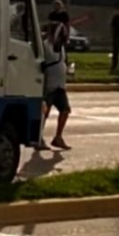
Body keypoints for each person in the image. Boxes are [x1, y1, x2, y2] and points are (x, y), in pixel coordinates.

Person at [38, 22, 72, 151]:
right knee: (44, 112)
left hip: (60, 85)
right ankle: (39, 138)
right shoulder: (46, 46)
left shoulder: (60, 47)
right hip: (49, 84)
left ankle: (58, 137)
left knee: (65, 110)